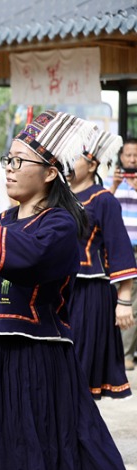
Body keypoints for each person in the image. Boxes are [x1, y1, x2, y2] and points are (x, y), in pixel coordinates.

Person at [0, 110, 129, 470]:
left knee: (37, 450)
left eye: (19, 161)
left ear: (51, 172)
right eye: (8, 160)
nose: (10, 168)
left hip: (37, 359)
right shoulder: (1, 222)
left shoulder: (61, 223)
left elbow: (25, 252)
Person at [67, 129, 135, 399]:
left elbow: (118, 248)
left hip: (89, 294)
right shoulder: (54, 197)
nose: (67, 164)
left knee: (80, 370)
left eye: (73, 158)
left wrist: (125, 299)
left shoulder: (104, 200)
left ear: (93, 164)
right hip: (58, 292)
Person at [108, 137, 137, 371]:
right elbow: (100, 207)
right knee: (114, 300)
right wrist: (116, 186)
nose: (132, 159)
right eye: (128, 155)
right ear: (121, 157)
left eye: (136, 155)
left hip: (135, 249)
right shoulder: (111, 181)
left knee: (131, 303)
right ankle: (117, 353)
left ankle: (126, 354)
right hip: (116, 249)